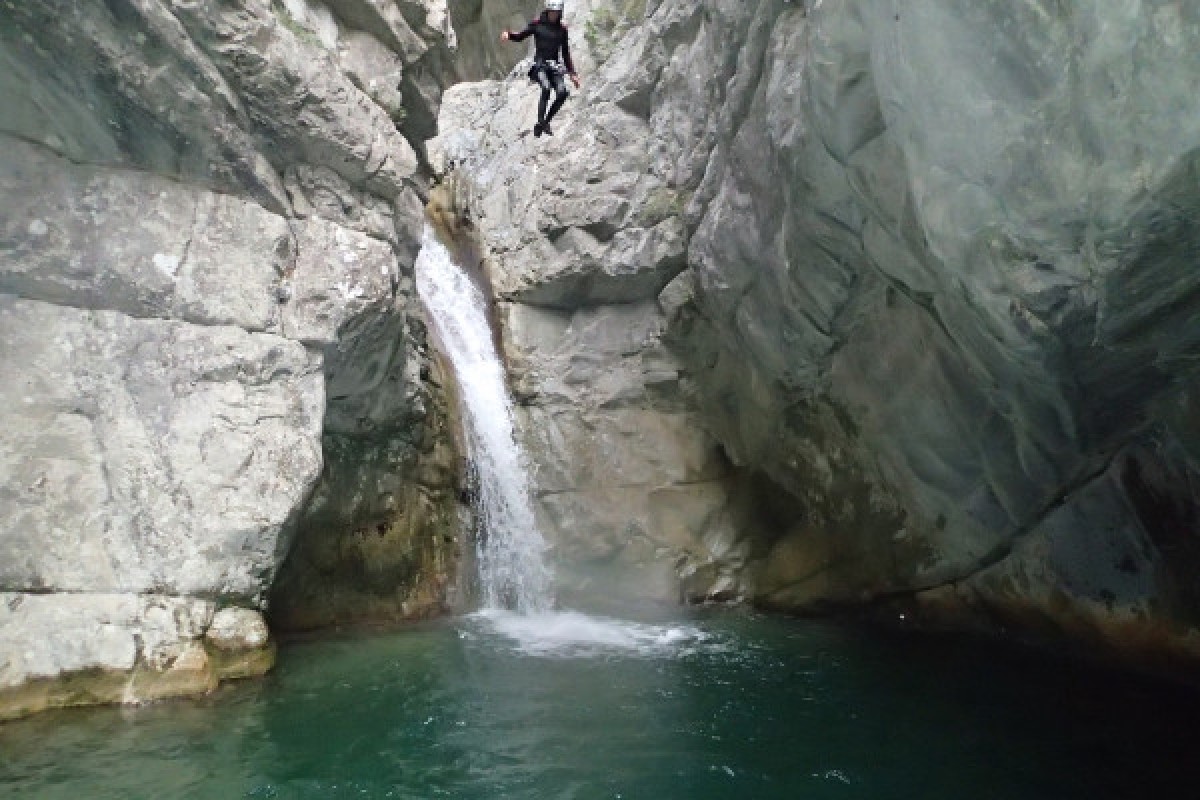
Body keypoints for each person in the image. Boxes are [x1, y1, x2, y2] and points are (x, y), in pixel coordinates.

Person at [501, 1, 581, 137]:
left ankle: (544, 123)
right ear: (548, 11)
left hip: (554, 66)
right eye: (552, 12)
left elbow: (565, 53)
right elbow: (521, 36)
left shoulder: (562, 29)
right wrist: (509, 35)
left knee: (562, 92)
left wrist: (572, 73)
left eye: (557, 13)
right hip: (540, 65)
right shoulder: (537, 24)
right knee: (546, 87)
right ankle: (541, 120)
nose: (554, 15)